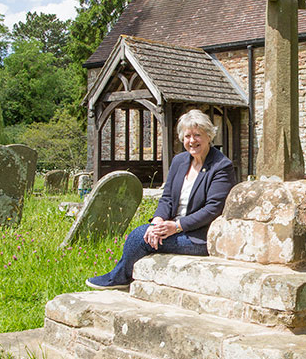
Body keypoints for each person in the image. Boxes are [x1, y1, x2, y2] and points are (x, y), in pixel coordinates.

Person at [86, 109, 237, 290]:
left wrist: (177, 226)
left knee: (138, 237)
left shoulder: (221, 166)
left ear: (209, 136)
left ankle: (118, 278)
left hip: (198, 236)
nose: (192, 141)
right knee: (146, 232)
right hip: (171, 226)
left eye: (197, 135)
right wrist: (157, 222)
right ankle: (122, 275)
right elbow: (167, 199)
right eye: (187, 136)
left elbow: (213, 209)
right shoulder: (179, 161)